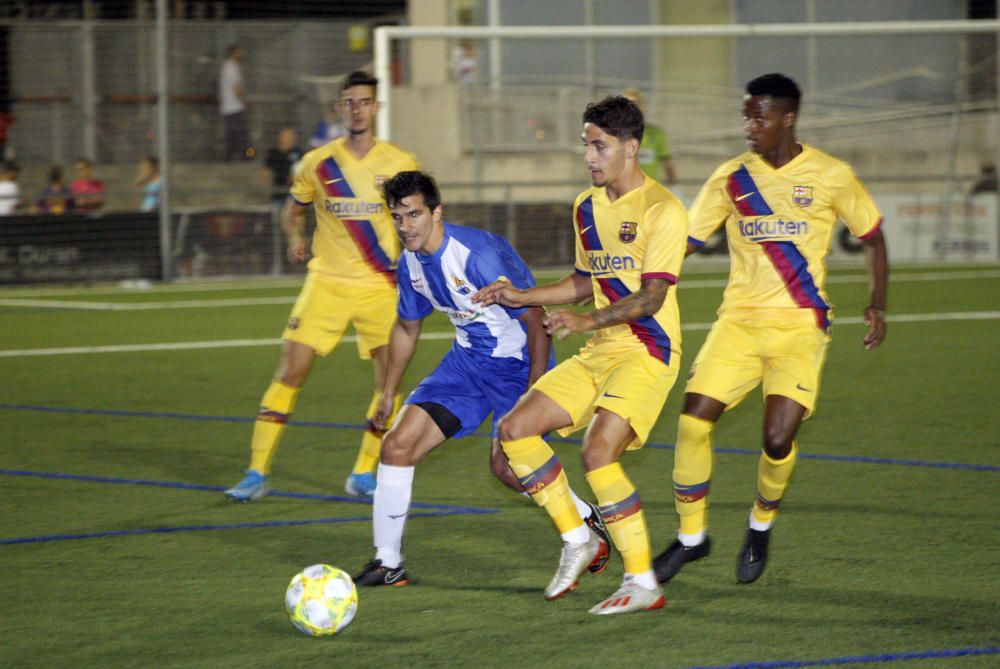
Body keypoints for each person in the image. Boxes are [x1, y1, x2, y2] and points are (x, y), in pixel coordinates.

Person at [652, 73, 888, 587]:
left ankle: (760, 526)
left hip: (800, 327)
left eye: (759, 116)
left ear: (788, 118)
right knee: (693, 422)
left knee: (778, 440)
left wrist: (877, 303)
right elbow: (686, 242)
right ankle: (692, 538)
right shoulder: (731, 178)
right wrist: (634, 275)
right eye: (746, 116)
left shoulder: (830, 174)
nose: (749, 126)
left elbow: (872, 237)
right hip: (737, 324)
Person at [473, 95, 689, 615]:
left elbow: (651, 298)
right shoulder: (585, 207)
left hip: (648, 351)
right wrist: (522, 296)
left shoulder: (664, 209)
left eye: (600, 146)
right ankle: (579, 538)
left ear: (631, 148)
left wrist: (586, 319)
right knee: (514, 431)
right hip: (601, 350)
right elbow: (584, 280)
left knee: (597, 452)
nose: (589, 157)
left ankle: (643, 582)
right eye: (586, 146)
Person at [353, 170, 609, 587]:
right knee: (397, 445)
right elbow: (406, 327)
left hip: (516, 364)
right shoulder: (410, 264)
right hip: (467, 364)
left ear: (437, 213)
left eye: (414, 215)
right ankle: (387, 563)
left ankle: (584, 519)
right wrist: (387, 391)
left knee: (507, 469)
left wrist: (534, 391)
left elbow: (536, 320)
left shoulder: (476, 254)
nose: (406, 227)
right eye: (398, 217)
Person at [224, 71, 422, 503]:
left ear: (376, 108)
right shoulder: (318, 163)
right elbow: (291, 212)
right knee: (290, 371)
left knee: (388, 383)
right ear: (339, 108)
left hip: (381, 286)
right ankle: (256, 472)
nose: (356, 109)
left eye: (364, 101)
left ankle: (364, 474)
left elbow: (419, 219)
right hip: (327, 282)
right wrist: (294, 238)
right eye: (349, 102)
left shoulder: (401, 163)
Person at [624, 88, 677, 186]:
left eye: (636, 104)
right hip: (622, 193)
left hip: (648, 192)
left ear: (643, 107)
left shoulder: (656, 134)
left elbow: (668, 164)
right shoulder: (613, 134)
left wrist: (675, 187)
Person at [219, 43, 249, 161]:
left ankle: (230, 156)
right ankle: (243, 156)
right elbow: (236, 87)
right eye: (239, 52)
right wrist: (244, 99)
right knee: (239, 133)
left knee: (232, 133)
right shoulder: (231, 67)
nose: (241, 54)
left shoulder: (229, 66)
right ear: (234, 53)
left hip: (230, 106)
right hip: (233, 106)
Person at [263, 127, 303, 206]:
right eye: (287, 135)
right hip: (278, 193)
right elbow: (265, 174)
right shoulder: (273, 154)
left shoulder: (299, 153)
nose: (290, 138)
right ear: (280, 137)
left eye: (292, 136)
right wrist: (265, 191)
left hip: (295, 195)